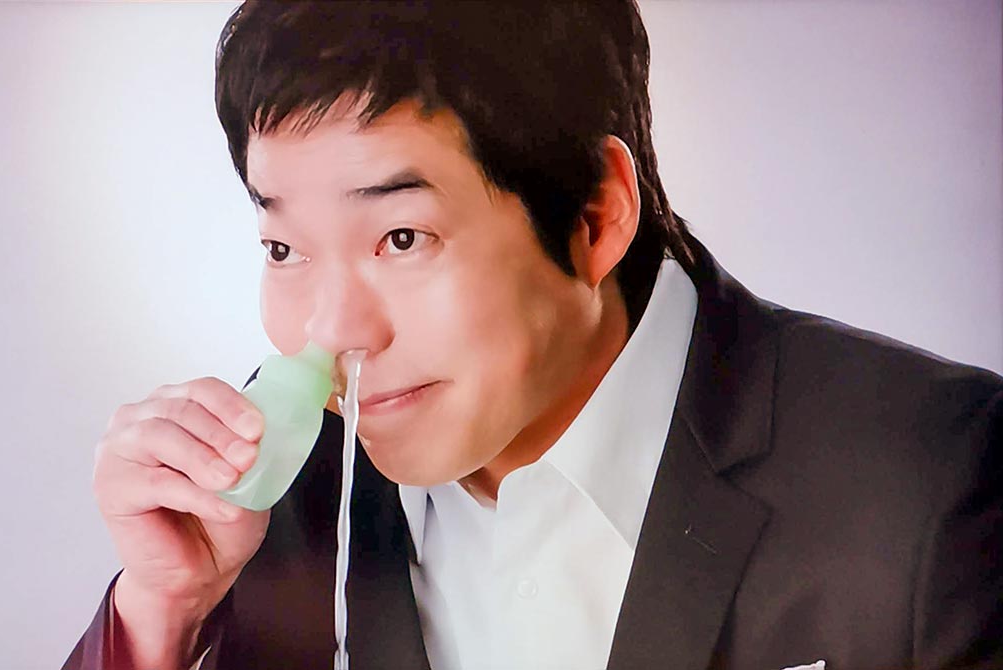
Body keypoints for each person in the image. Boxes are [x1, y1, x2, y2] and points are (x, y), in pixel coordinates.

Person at [64, 2, 1002, 669]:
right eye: (284, 248)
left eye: (401, 238)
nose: (332, 331)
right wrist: (162, 613)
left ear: (596, 214)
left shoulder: (933, 476)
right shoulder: (261, 505)